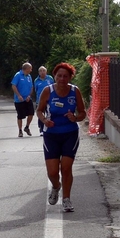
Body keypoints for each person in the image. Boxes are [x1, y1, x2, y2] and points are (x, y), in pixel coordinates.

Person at [36, 62, 86, 212]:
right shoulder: (48, 91)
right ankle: (56, 187)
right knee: (52, 172)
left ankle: (66, 199)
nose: (62, 79)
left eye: (65, 76)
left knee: (66, 167)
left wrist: (75, 118)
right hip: (51, 135)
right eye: (59, 76)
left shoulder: (75, 91)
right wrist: (45, 120)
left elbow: (83, 113)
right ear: (54, 76)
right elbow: (39, 110)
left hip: (70, 134)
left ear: (70, 77)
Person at [11, 62, 34, 137]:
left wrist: (29, 96)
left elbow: (31, 87)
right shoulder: (18, 75)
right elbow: (13, 86)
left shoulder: (29, 76)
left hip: (27, 98)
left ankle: (27, 127)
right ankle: (20, 131)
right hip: (19, 99)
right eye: (30, 68)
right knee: (20, 116)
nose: (31, 70)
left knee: (31, 113)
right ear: (26, 68)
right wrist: (18, 95)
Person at [34, 66, 54, 136]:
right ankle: (41, 129)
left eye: (43, 71)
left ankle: (51, 127)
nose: (42, 72)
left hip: (50, 100)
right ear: (39, 73)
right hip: (40, 100)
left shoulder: (50, 78)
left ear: (46, 72)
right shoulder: (36, 80)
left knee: (50, 114)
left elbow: (54, 87)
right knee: (41, 115)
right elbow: (36, 90)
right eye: (40, 71)